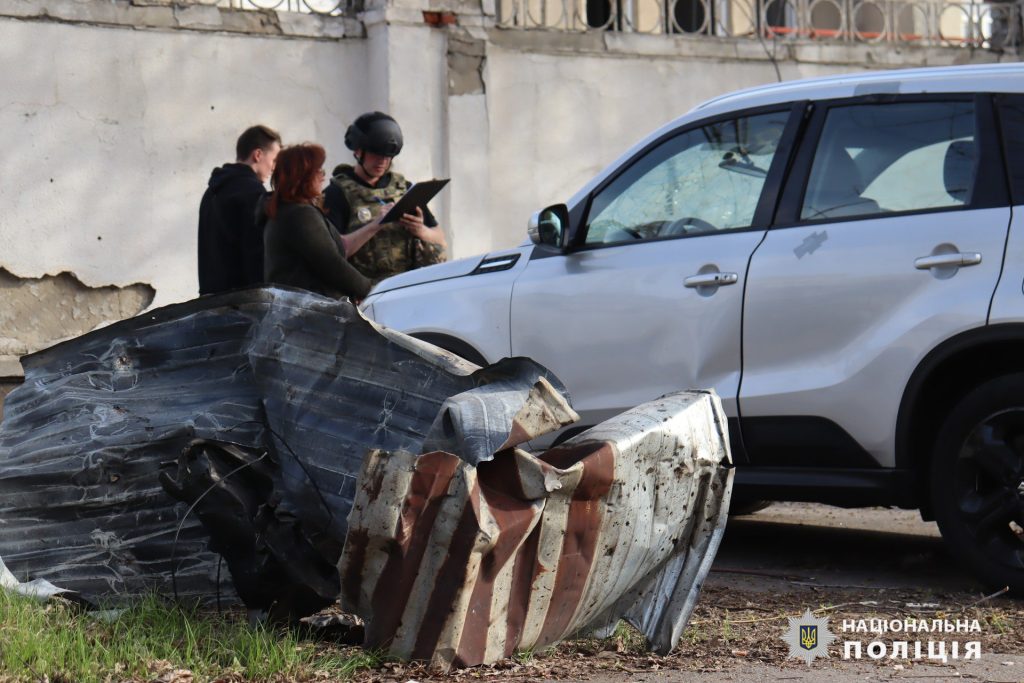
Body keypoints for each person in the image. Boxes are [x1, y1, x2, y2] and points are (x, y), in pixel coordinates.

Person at [323, 112, 447, 282]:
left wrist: (420, 230)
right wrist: (376, 224)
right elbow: (334, 252)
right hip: (363, 291)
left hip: (406, 284)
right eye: (376, 154)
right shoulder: (337, 193)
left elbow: (440, 237)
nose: (382, 161)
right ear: (358, 152)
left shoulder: (403, 189)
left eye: (387, 156)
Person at [262, 143, 387, 301]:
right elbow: (332, 265)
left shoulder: (286, 211)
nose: (323, 177)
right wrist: (372, 290)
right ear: (303, 177)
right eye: (318, 171)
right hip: (309, 314)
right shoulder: (300, 215)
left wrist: (378, 223)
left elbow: (339, 247)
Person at [198, 125, 282, 295]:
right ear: (258, 155)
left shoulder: (212, 190)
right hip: (242, 302)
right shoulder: (253, 193)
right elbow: (257, 252)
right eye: (274, 160)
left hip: (209, 298)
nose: (274, 168)